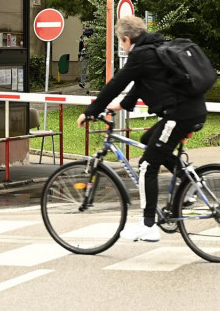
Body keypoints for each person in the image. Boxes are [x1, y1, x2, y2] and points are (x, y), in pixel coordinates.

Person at [77, 16, 207, 242]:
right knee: (149, 139)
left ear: (127, 39)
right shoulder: (154, 48)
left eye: (122, 42)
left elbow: (117, 83)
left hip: (178, 115)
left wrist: (90, 111)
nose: (123, 47)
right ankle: (192, 182)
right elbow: (142, 83)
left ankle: (148, 225)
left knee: (147, 164)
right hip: (189, 111)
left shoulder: (141, 54)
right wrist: (121, 105)